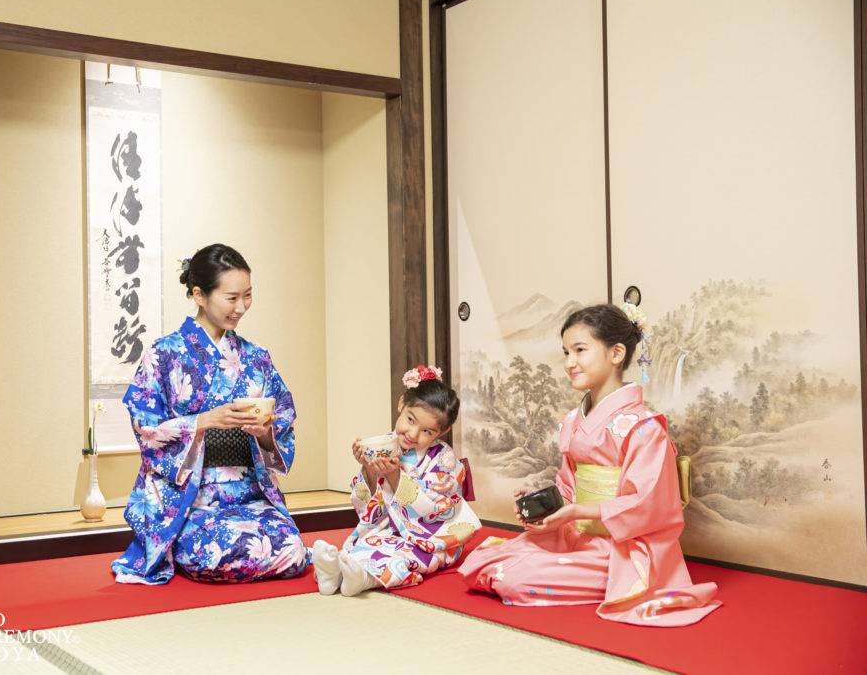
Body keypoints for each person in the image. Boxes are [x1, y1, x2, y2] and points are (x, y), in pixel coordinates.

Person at [458, 303, 721, 625]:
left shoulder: (644, 427)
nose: (569, 363)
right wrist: (547, 506)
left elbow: (649, 504)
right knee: (485, 561)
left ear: (616, 353)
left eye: (580, 350)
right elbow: (569, 486)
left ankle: (608, 578)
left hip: (624, 547)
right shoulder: (574, 420)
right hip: (578, 532)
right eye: (566, 353)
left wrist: (577, 511)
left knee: (512, 577)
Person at [111, 243, 309, 585]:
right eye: (231, 298)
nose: (241, 307)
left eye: (248, 295)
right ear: (199, 295)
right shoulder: (164, 354)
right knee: (216, 554)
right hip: (191, 498)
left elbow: (283, 422)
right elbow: (145, 428)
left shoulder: (256, 357)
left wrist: (264, 432)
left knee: (292, 552)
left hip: (248, 492)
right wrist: (204, 421)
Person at [313, 365, 481, 596]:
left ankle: (362, 578)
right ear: (402, 404)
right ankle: (333, 574)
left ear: (442, 432)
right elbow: (368, 509)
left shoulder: (444, 460)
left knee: (400, 555)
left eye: (427, 431)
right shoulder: (386, 444)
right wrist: (368, 468)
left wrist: (394, 475)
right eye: (410, 420)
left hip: (429, 538)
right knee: (363, 544)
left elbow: (434, 510)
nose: (413, 434)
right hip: (388, 529)